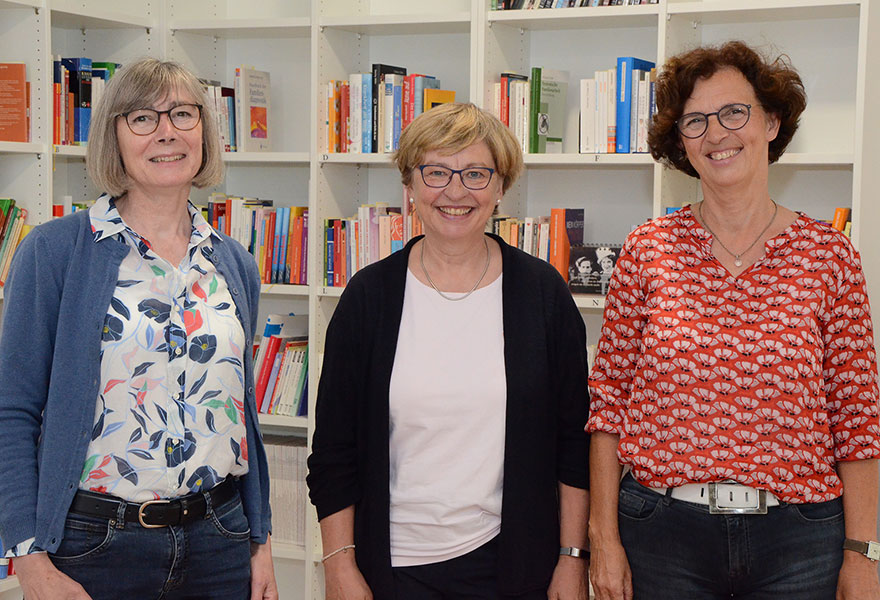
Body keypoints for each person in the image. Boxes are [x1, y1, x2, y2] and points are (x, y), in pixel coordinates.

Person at [587, 40, 880, 600]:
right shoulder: (646, 250)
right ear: (680, 143)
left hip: (801, 541)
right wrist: (603, 538)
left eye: (733, 112)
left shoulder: (829, 255)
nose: (716, 133)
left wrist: (863, 555)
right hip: (661, 536)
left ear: (771, 122)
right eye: (694, 121)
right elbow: (608, 408)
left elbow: (858, 420)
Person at [0, 57, 277, 600]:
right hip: (94, 545)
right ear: (115, 138)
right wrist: (28, 559)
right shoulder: (55, 252)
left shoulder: (234, 263)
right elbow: (12, 409)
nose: (167, 132)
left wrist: (259, 540)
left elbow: (242, 415)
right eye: (142, 118)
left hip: (221, 539)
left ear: (205, 129)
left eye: (182, 113)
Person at [307, 102, 590, 600]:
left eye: (476, 174)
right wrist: (339, 564)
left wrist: (572, 559)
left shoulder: (542, 293)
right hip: (389, 569)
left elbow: (573, 443)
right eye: (436, 172)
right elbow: (333, 450)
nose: (455, 191)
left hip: (514, 564)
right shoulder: (369, 297)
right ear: (410, 186)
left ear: (501, 188)